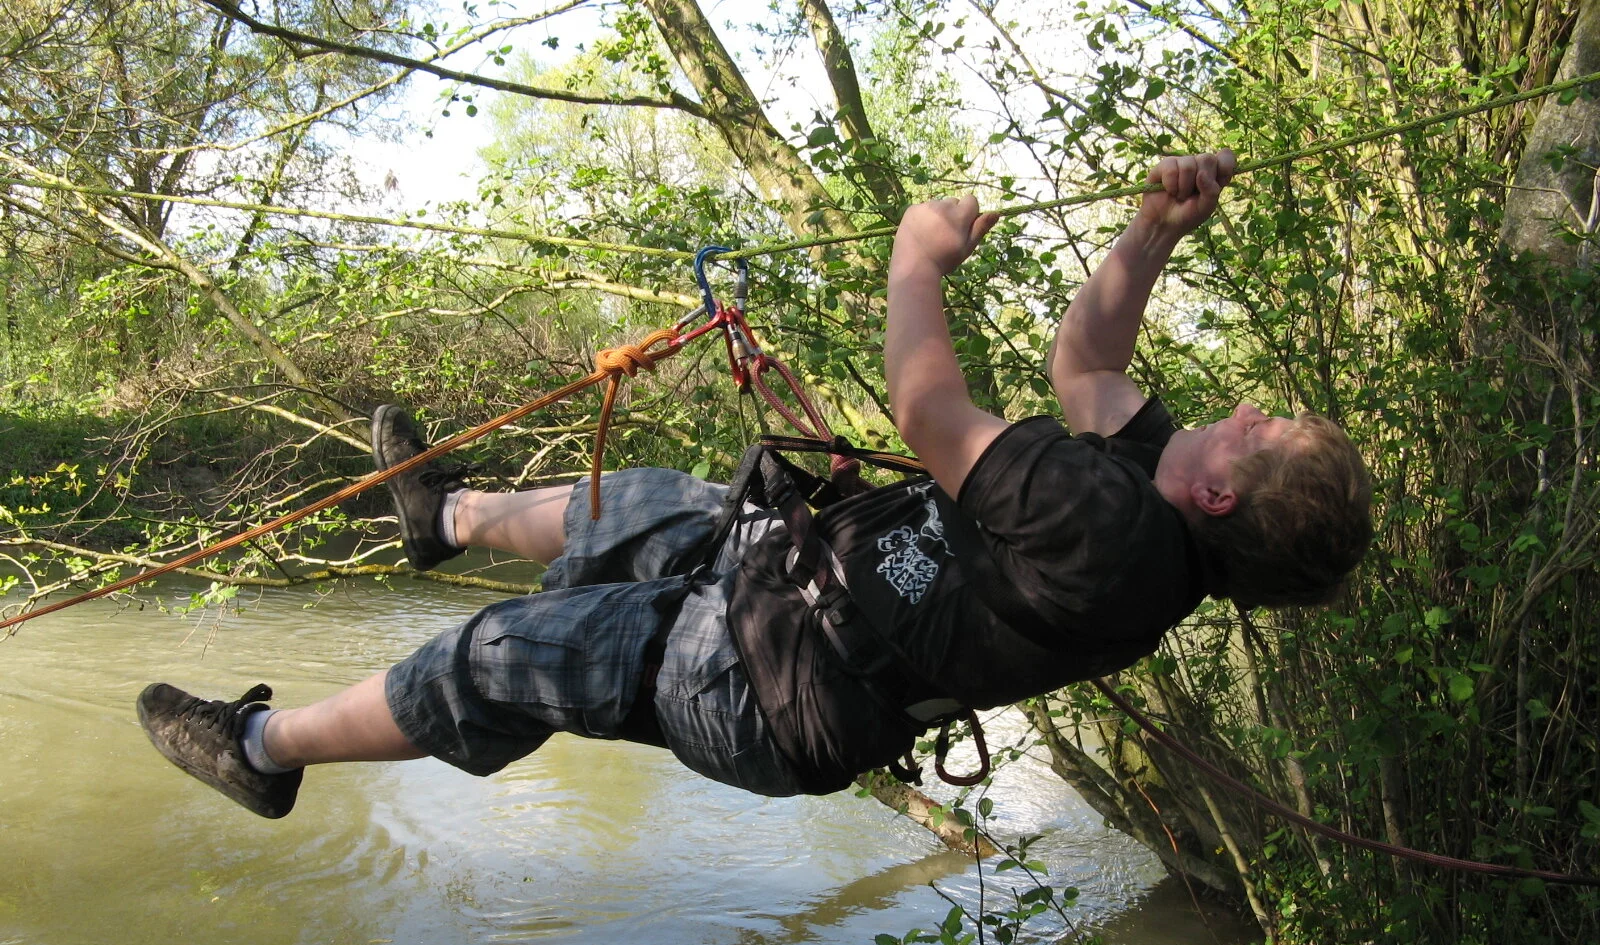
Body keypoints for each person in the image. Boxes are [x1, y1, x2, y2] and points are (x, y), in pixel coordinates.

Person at [136, 149, 1373, 818]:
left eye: (1258, 432)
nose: (1242, 410)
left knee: (502, 657)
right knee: (644, 502)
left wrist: (914, 263)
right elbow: (1086, 365)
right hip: (798, 592)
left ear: (1224, 497)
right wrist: (1153, 232)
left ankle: (259, 748)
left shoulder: (1108, 531)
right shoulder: (1153, 508)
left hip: (763, 681)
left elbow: (928, 412)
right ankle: (445, 516)